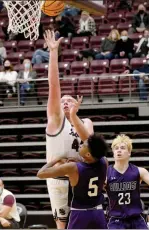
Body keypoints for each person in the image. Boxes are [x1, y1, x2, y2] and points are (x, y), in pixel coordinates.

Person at [43, 30, 94, 229]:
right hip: (58, 177)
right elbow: (53, 85)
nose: (64, 102)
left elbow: (89, 142)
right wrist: (53, 53)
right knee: (62, 226)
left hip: (82, 176)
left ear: (78, 104)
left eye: (69, 100)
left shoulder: (86, 121)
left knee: (85, 222)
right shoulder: (55, 120)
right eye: (62, 101)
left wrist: (74, 117)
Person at [37, 134, 108, 229]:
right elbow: (91, 165)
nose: (81, 145)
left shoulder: (73, 168)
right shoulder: (104, 162)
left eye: (83, 145)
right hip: (98, 213)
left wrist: (55, 159)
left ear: (88, 154)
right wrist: (80, 160)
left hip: (80, 214)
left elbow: (41, 174)